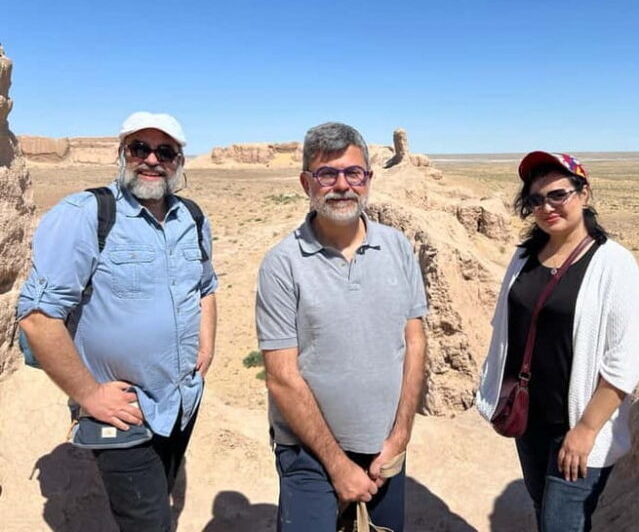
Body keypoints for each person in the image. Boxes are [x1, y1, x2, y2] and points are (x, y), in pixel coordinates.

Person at [17, 111, 218, 532]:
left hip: (181, 400)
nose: (151, 160)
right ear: (122, 154)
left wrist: (206, 344)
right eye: (139, 148)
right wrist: (90, 395)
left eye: (165, 151)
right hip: (123, 410)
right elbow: (38, 318)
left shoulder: (193, 218)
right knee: (147, 522)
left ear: (179, 162)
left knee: (158, 497)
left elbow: (205, 286)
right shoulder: (86, 214)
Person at [256, 122, 427, 531]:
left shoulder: (398, 247)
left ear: (368, 179)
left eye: (354, 173)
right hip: (308, 453)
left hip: (384, 449)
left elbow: (414, 343)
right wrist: (337, 465)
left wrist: (400, 435)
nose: (342, 185)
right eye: (327, 174)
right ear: (306, 183)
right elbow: (282, 377)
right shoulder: (283, 263)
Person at [476, 151, 639, 532]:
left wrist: (586, 430)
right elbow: (505, 330)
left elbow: (632, 353)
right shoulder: (524, 256)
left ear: (583, 193)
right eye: (536, 199)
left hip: (575, 425)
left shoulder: (613, 263)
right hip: (528, 420)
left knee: (561, 522)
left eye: (558, 194)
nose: (547, 207)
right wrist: (497, 396)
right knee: (546, 511)